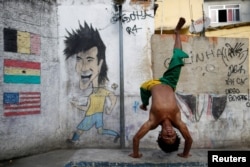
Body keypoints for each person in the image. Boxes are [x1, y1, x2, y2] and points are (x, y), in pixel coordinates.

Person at [129, 17, 193, 158]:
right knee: (177, 58)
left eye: (166, 138)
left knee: (143, 91)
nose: (169, 134)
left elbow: (136, 138)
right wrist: (185, 154)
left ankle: (144, 104)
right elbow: (189, 139)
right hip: (170, 83)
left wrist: (135, 154)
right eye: (173, 137)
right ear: (176, 134)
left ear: (159, 136)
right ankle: (177, 32)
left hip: (151, 86)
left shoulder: (152, 122)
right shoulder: (178, 121)